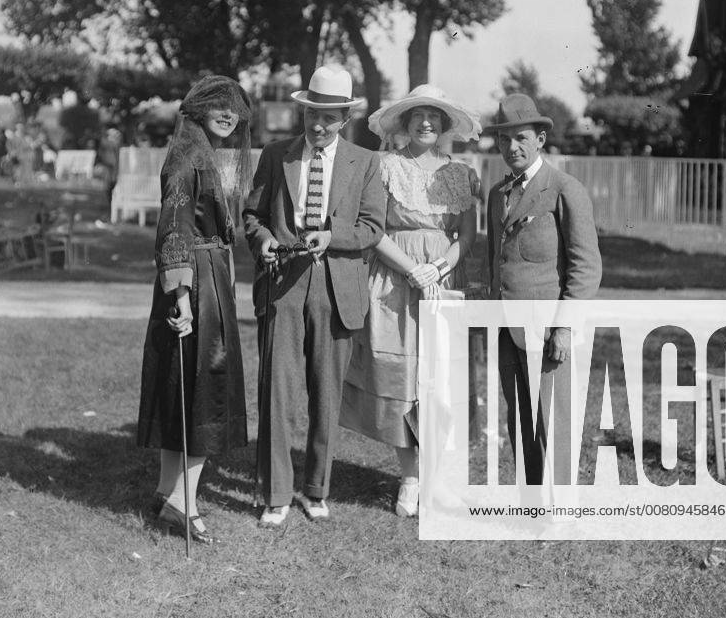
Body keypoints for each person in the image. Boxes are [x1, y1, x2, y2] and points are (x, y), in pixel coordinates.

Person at [243, 65, 386, 526]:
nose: (318, 126)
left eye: (329, 117)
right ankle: (277, 494)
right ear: (302, 112)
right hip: (282, 286)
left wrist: (333, 237)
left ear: (345, 117)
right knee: (277, 392)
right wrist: (262, 239)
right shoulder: (275, 155)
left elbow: (372, 228)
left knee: (326, 395)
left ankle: (315, 489)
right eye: (311, 116)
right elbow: (252, 215)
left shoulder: (365, 163)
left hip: (336, 288)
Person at [339, 84, 481, 517]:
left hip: (441, 281)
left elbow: (468, 234)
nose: (425, 123)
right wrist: (410, 268)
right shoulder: (384, 166)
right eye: (418, 116)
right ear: (404, 123)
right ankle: (409, 478)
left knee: (439, 377)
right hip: (396, 280)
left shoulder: (459, 173)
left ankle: (435, 479)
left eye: (433, 118)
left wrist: (439, 267)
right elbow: (373, 228)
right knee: (402, 374)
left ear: (443, 126)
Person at [136, 75, 253, 545]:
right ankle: (183, 503)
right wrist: (182, 298)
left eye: (236, 108)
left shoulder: (193, 147)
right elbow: (174, 226)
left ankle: (167, 491)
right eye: (218, 105)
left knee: (178, 384)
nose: (229, 114)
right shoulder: (189, 155)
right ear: (197, 107)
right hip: (196, 284)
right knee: (206, 387)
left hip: (199, 277)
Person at [483, 94, 601, 486]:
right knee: (518, 414)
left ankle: (561, 509)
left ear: (540, 139)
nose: (511, 147)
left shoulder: (564, 189)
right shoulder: (498, 194)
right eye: (503, 140)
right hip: (507, 325)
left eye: (520, 138)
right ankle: (531, 503)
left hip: (550, 330)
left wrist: (564, 327)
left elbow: (586, 266)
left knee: (553, 417)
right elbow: (495, 262)